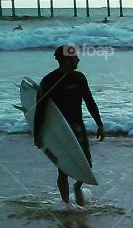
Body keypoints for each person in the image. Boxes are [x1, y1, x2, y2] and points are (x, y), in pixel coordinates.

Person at [35, 45, 105, 206]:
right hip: (61, 130)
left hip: (78, 126)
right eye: (75, 57)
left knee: (86, 164)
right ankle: (65, 204)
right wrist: (37, 135)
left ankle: (77, 187)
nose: (78, 60)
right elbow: (40, 108)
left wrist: (99, 124)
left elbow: (90, 102)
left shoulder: (79, 78)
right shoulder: (49, 80)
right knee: (64, 168)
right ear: (66, 59)